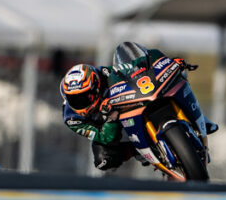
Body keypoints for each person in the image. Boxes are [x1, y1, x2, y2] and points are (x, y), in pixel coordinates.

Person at [60, 42, 217, 173]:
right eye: (75, 99)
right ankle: (137, 151)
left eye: (84, 96)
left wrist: (166, 62)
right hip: (108, 128)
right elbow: (104, 137)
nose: (80, 103)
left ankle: (197, 118)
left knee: (173, 83)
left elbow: (134, 66)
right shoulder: (73, 118)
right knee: (103, 160)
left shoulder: (105, 74)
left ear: (96, 86)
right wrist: (110, 118)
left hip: (127, 107)